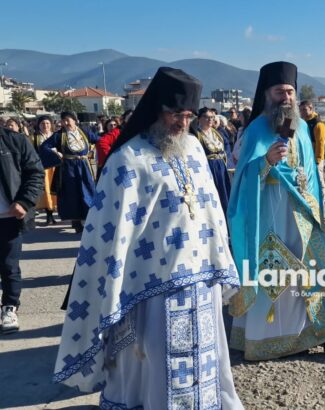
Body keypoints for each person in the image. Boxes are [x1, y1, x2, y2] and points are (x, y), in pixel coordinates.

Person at [52, 67, 243, 409]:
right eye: (175, 114)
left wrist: (220, 260)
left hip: (201, 280)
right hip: (150, 285)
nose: (183, 123)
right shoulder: (128, 159)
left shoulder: (195, 150)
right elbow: (110, 231)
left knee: (204, 357)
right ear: (156, 109)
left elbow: (211, 210)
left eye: (188, 116)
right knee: (154, 361)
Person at [227, 61, 325, 361]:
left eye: (290, 91)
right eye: (280, 92)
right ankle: (275, 338)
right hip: (272, 215)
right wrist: (265, 162)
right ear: (266, 94)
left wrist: (315, 204)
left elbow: (309, 171)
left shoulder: (300, 127)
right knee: (282, 276)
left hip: (301, 211)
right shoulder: (256, 130)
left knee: (318, 269)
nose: (286, 97)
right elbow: (243, 178)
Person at [0, 124, 44, 334]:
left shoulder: (14, 141)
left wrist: (24, 201)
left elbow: (35, 173)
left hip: (8, 216)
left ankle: (9, 308)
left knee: (8, 266)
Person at [39, 111, 100, 233]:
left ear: (75, 120)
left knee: (88, 190)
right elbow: (44, 147)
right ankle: (76, 222)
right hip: (68, 168)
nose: (65, 123)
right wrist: (56, 154)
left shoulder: (85, 131)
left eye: (68, 120)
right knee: (72, 194)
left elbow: (99, 140)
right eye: (63, 120)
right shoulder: (59, 135)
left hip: (84, 166)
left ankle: (89, 218)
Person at [190, 107, 232, 214]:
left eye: (212, 117)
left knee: (225, 193)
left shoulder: (217, 133)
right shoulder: (196, 135)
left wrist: (225, 158)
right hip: (208, 168)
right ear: (199, 119)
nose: (210, 120)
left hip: (221, 167)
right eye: (206, 117)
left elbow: (226, 145)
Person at [30, 115, 58, 225]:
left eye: (47, 123)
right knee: (46, 191)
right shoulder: (34, 138)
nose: (45, 125)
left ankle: (57, 210)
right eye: (42, 123)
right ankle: (49, 215)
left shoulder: (56, 136)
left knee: (57, 190)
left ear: (51, 125)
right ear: (39, 125)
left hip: (56, 167)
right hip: (43, 168)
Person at [299, 100, 325, 201]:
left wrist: (318, 160)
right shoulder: (303, 121)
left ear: (311, 109)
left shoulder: (318, 124)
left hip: (316, 159)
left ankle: (322, 203)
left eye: (304, 110)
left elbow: (320, 143)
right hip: (306, 158)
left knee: (319, 181)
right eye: (301, 110)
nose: (302, 112)